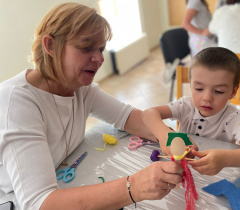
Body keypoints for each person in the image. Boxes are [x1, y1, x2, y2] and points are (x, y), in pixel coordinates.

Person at [0, 3, 183, 209]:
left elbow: (128, 117)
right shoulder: (16, 102)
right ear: (50, 46)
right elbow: (39, 202)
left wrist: (169, 136)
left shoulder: (79, 88)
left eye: (101, 48)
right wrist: (133, 187)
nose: (99, 58)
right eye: (86, 47)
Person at [142, 47, 240, 176]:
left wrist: (224, 159)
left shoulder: (233, 118)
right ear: (190, 85)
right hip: (183, 173)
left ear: (233, 92)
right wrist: (166, 135)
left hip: (216, 177)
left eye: (218, 91)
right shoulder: (185, 105)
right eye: (199, 88)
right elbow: (148, 113)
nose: (207, 98)